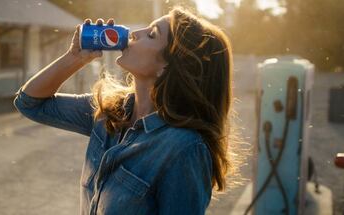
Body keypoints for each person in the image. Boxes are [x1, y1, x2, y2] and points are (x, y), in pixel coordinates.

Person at [14, 6, 235, 215]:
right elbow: (30, 103)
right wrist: (75, 58)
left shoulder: (183, 149)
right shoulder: (109, 110)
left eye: (151, 34)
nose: (135, 33)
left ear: (167, 66)